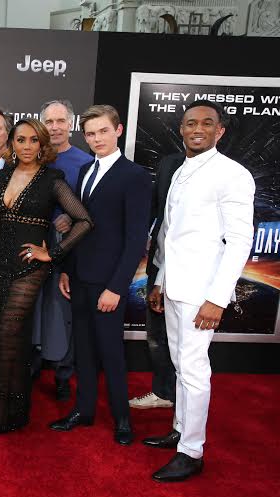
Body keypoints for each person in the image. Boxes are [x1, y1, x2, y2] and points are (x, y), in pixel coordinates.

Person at [145, 100, 254, 482]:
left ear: (219, 131)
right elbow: (170, 234)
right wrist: (160, 282)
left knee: (193, 369)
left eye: (207, 123)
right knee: (179, 363)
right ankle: (180, 430)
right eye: (191, 123)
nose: (197, 129)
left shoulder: (232, 174)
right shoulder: (180, 170)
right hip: (174, 287)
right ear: (182, 128)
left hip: (201, 293)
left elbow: (239, 242)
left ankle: (191, 451)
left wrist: (216, 299)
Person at [0, 119, 92, 435]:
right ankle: (13, 408)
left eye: (33, 140)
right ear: (12, 144)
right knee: (4, 335)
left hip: (29, 268)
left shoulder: (52, 179)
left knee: (8, 331)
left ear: (42, 144)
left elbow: (84, 221)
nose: (26, 146)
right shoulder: (4, 174)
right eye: (20, 140)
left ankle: (2, 415)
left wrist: (52, 254)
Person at [50, 105, 151, 446]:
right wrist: (67, 270)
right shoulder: (85, 171)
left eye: (103, 131)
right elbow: (81, 227)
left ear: (118, 130)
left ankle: (122, 419)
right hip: (79, 276)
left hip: (109, 283)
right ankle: (84, 410)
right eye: (91, 133)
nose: (97, 139)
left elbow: (136, 239)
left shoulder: (135, 175)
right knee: (84, 351)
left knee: (111, 352)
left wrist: (116, 287)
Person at [31, 100, 94, 401]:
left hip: (68, 247)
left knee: (62, 309)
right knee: (33, 307)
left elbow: (92, 209)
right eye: (49, 121)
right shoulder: (31, 158)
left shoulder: (85, 162)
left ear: (71, 123)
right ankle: (30, 369)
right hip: (32, 243)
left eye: (60, 121)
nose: (54, 127)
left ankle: (62, 375)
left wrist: (72, 215)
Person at [129, 151, 180, 411]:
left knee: (184, 345)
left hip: (190, 272)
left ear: (220, 132)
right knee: (156, 336)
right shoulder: (169, 163)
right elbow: (156, 208)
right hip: (159, 265)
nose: (196, 132)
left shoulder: (226, 172)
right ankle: (164, 392)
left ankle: (182, 399)